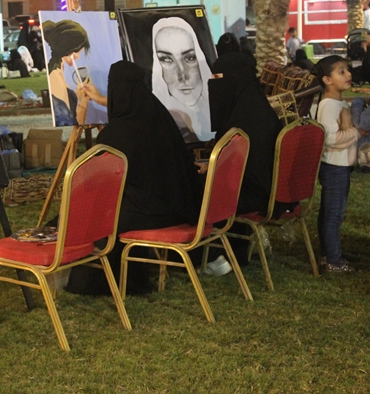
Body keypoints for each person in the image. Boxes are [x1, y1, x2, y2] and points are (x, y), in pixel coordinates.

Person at [65, 61, 203, 295]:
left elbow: (98, 182)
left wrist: (82, 110)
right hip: (180, 208)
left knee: (96, 213)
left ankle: (95, 282)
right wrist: (102, 101)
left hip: (149, 215)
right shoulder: (159, 116)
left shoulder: (117, 134)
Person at [202, 55, 283, 272]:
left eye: (217, 77)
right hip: (266, 190)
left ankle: (211, 255)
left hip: (252, 195)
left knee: (196, 190)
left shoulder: (242, 122)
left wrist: (210, 169)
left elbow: (239, 171)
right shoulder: (256, 110)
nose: (213, 83)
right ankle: (231, 252)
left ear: (234, 79)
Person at [313, 56, 365, 272]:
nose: (348, 74)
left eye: (347, 70)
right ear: (327, 80)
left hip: (341, 166)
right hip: (334, 167)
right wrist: (357, 132)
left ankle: (329, 253)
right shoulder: (328, 105)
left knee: (331, 212)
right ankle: (333, 261)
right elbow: (330, 138)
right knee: (334, 214)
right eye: (341, 71)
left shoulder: (339, 103)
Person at [151, 17, 214, 142]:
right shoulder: (156, 123)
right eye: (167, 59)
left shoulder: (221, 115)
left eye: (190, 58)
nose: (182, 75)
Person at [42, 19, 90, 126]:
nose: (78, 57)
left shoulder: (59, 72)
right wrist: (83, 100)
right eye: (77, 52)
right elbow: (67, 119)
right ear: (68, 48)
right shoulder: (55, 76)